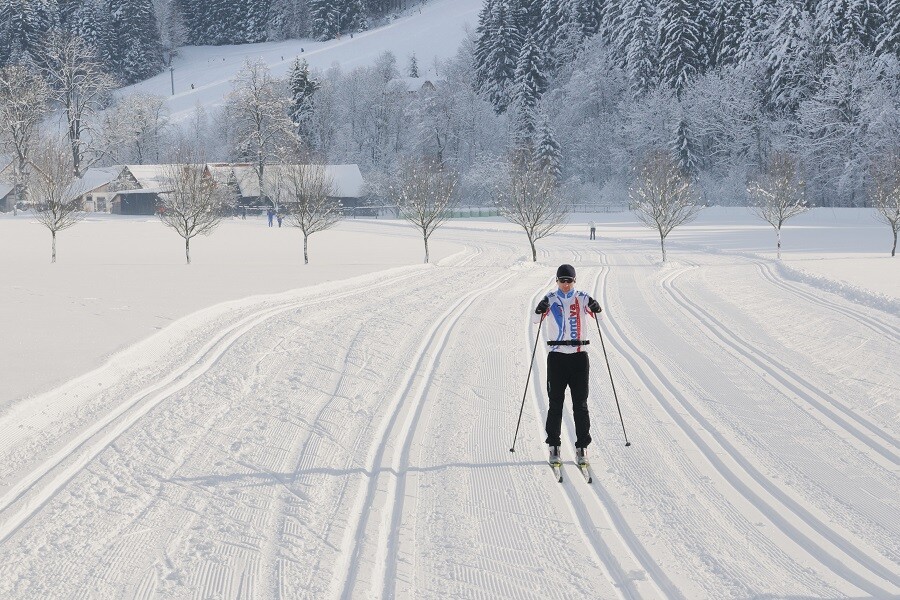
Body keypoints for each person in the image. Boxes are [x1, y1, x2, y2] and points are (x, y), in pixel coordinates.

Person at [533, 264, 602, 466]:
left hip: (579, 357)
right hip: (557, 358)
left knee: (580, 404)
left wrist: (596, 307)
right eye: (561, 280)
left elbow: (600, 317)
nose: (565, 284)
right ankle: (554, 446)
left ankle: (582, 448)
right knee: (555, 403)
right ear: (556, 281)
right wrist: (540, 309)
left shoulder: (582, 297)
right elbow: (535, 320)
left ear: (574, 281)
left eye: (568, 280)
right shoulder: (550, 299)